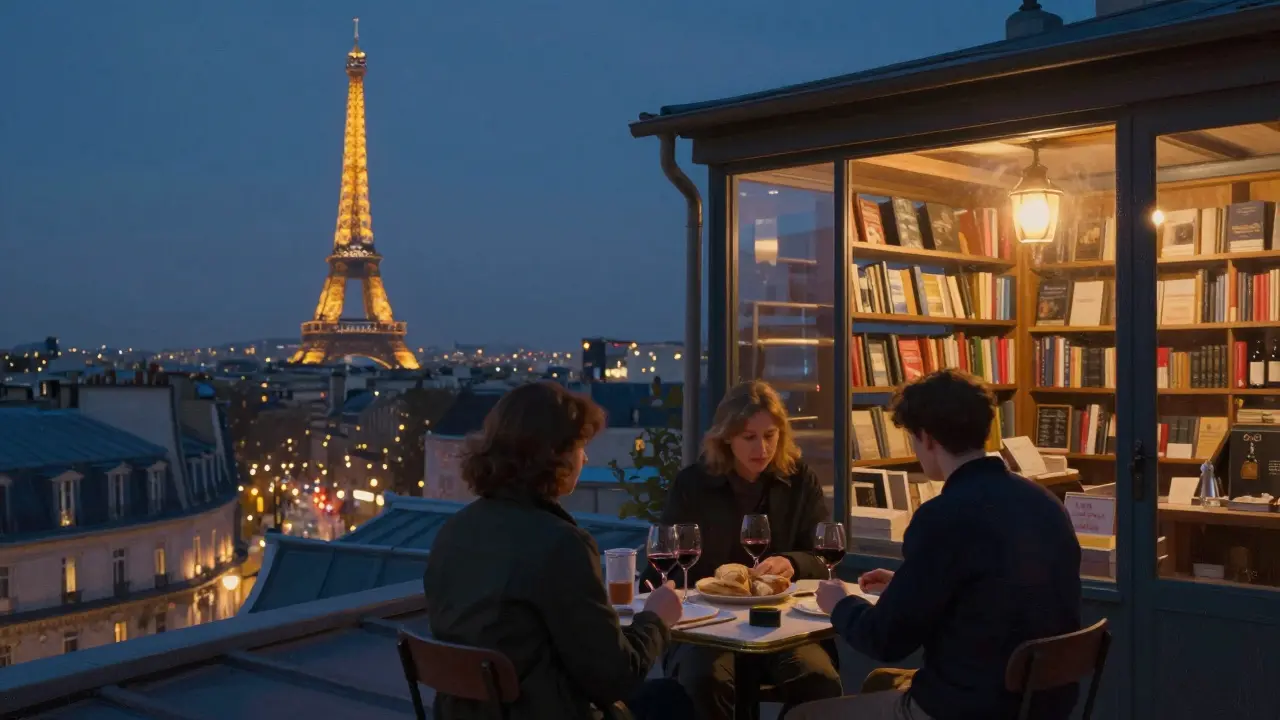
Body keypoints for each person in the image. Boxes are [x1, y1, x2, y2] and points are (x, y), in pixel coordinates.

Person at [793, 369, 1082, 720]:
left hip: (965, 708)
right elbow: (986, 593)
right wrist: (905, 583)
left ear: (927, 438)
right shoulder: (1045, 503)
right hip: (1043, 706)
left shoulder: (943, 516)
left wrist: (839, 604)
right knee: (881, 684)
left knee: (802, 716)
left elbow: (886, 640)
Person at [423, 382, 694, 720]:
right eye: (580, 445)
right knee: (676, 699)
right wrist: (656, 618)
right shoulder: (561, 544)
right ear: (555, 454)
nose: (586, 457)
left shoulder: (454, 532)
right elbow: (615, 677)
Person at [641, 380, 842, 719]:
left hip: (781, 621)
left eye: (770, 435)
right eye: (749, 437)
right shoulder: (693, 484)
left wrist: (791, 562)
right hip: (706, 624)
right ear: (727, 438)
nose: (761, 448)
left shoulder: (798, 480)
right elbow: (665, 561)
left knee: (820, 681)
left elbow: (822, 557)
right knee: (704, 682)